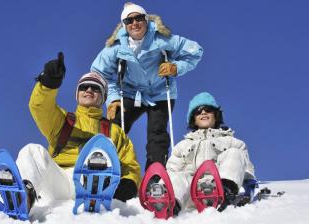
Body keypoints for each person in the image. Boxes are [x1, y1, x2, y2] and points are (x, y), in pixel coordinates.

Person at [13, 52, 141, 214]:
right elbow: (40, 107)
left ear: (103, 98)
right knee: (32, 150)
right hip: (59, 181)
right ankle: (21, 199)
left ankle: (93, 197)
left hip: (94, 184)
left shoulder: (114, 132)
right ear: (77, 94)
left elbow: (130, 165)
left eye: (95, 88)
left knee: (102, 146)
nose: (88, 89)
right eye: (83, 87)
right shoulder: (63, 121)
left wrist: (128, 184)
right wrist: (48, 83)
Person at [91, 2, 204, 170]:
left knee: (157, 132)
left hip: (160, 92)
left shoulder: (161, 39)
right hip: (130, 92)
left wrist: (176, 68)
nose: (134, 23)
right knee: (115, 124)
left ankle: (155, 171)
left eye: (139, 18)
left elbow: (195, 51)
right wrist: (113, 99)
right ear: (124, 25)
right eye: (129, 21)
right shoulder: (116, 46)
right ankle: (104, 161)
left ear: (146, 19)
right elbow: (99, 73)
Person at [166, 92, 256, 213]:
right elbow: (171, 172)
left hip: (218, 189)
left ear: (216, 115)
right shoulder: (182, 146)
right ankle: (169, 205)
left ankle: (225, 190)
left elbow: (245, 169)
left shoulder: (232, 142)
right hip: (192, 194)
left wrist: (249, 187)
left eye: (208, 110)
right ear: (193, 118)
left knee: (234, 153)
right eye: (198, 111)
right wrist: (162, 186)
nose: (203, 113)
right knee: (179, 176)